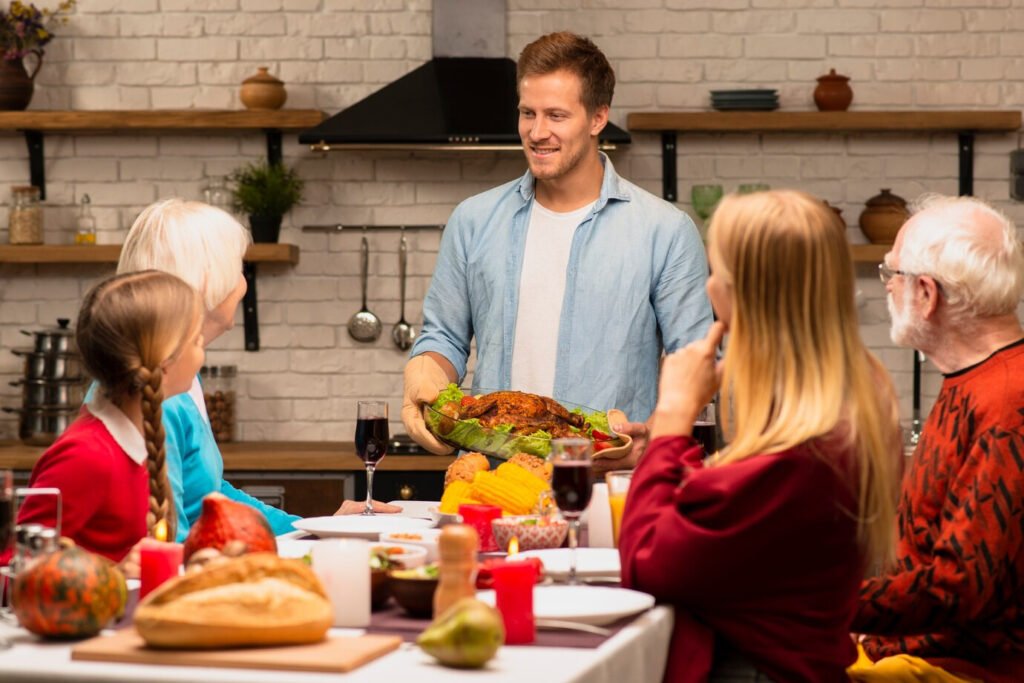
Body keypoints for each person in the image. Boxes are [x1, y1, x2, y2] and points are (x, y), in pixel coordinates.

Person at [619, 190, 903, 682]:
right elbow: (728, 529)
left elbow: (645, 562)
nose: (709, 290)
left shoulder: (804, 454)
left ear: (750, 296)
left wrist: (671, 416)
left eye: (718, 275)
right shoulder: (858, 395)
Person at [402, 32, 713, 469]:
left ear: (598, 118)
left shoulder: (664, 231)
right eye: (527, 113)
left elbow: (696, 361)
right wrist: (425, 371)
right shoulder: (473, 220)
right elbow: (446, 337)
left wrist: (658, 431)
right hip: (493, 481)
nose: (537, 132)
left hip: (608, 483)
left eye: (556, 115)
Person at [117, 200, 397, 541]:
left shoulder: (183, 376)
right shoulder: (162, 392)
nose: (243, 283)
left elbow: (211, 496)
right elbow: (166, 543)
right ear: (209, 281)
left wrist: (313, 528)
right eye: (238, 268)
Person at [850, 195, 1024, 683]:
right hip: (915, 651)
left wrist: (821, 604)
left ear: (926, 293)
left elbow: (958, 587)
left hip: (963, 670)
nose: (888, 287)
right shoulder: (977, 378)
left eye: (894, 273)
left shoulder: (1008, 402)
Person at [7, 271, 204, 564]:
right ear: (165, 361)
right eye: (197, 341)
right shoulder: (86, 456)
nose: (203, 353)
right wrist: (113, 575)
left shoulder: (138, 439)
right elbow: (14, 570)